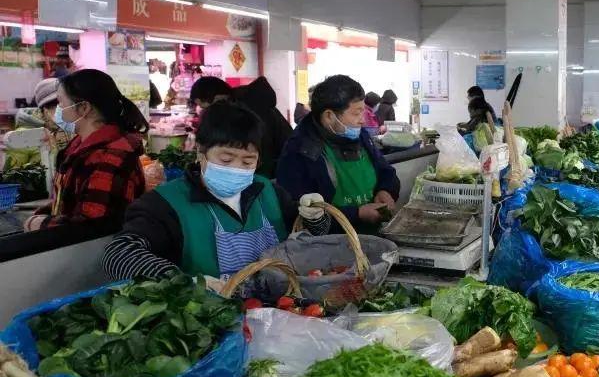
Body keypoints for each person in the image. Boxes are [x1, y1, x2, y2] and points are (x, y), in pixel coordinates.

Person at [101, 102, 330, 283]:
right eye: (226, 159)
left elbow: (309, 241)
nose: (237, 168)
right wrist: (181, 283)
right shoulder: (165, 204)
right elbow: (119, 255)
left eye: (248, 161)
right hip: (214, 325)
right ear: (201, 151)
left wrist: (317, 218)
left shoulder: (269, 192)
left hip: (280, 314)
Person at [24, 69, 147, 231]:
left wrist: (42, 224)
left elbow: (91, 226)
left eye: (61, 102)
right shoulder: (80, 145)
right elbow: (71, 199)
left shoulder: (109, 157)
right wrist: (44, 213)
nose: (58, 109)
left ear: (83, 108)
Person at [276, 75, 400, 233]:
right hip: (329, 245)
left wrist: (386, 190)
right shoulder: (300, 151)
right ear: (329, 116)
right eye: (356, 113)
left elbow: (386, 171)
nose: (362, 120)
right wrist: (357, 214)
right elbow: (298, 212)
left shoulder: (360, 136)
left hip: (371, 235)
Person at [190, 76, 292, 178]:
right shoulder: (242, 105)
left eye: (204, 107)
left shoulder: (247, 111)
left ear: (216, 98)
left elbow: (263, 151)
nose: (207, 113)